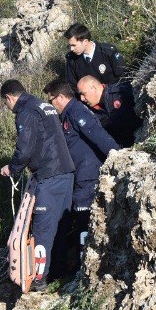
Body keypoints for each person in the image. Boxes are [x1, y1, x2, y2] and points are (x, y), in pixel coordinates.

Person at [0, 79, 75, 289]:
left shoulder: (27, 112)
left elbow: (24, 149)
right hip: (66, 172)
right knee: (61, 225)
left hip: (49, 176)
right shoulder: (44, 105)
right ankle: (59, 272)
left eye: (6, 104)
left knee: (43, 231)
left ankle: (39, 279)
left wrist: (12, 168)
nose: (8, 108)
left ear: (9, 97)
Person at [43, 79, 119, 255]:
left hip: (88, 176)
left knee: (85, 224)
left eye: (51, 100)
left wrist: (118, 156)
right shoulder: (68, 115)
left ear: (60, 97)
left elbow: (98, 136)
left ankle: (85, 263)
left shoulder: (76, 111)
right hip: (81, 177)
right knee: (82, 223)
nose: (51, 105)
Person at [77, 75, 138, 148]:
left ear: (93, 88)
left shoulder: (120, 91)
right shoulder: (92, 114)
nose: (82, 98)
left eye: (83, 94)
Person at [64, 23, 125, 93]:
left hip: (114, 96)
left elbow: (122, 76)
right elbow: (72, 86)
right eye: (70, 46)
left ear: (85, 42)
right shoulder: (72, 59)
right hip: (88, 102)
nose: (71, 49)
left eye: (74, 45)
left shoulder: (108, 52)